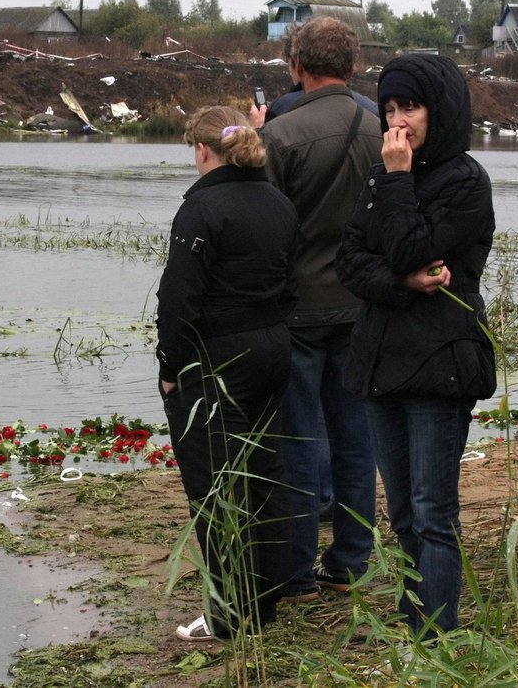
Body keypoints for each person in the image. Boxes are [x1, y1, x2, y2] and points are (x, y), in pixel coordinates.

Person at [336, 53, 495, 638]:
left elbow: (409, 248)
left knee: (432, 514)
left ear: (441, 109)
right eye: (391, 109)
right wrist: (401, 283)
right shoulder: (380, 176)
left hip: (438, 368)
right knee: (401, 514)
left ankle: (437, 635)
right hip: (380, 364)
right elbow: (349, 260)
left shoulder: (465, 181)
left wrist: (399, 181)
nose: (399, 121)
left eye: (412, 107)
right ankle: (413, 626)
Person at [156, 106, 298, 641]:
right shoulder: (279, 204)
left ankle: (226, 614)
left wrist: (171, 368)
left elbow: (179, 299)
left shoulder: (202, 211)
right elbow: (290, 284)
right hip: (272, 346)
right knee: (264, 472)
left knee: (212, 485)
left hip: (216, 357)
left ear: (202, 150)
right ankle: (265, 602)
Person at [258, 16, 383, 601]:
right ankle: (353, 561)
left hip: (298, 311)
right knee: (356, 440)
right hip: (364, 308)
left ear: (296, 66)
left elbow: (267, 231)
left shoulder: (279, 137)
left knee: (299, 442)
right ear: (353, 64)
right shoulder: (384, 132)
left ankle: (297, 570)